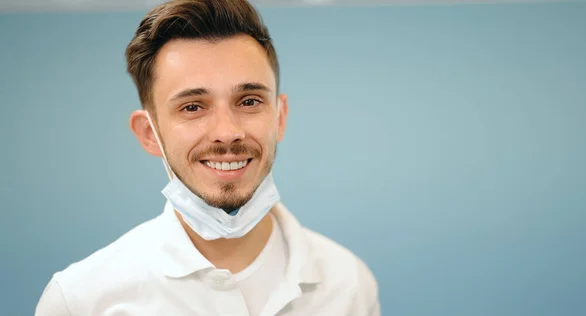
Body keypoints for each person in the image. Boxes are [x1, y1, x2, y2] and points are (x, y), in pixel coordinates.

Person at [35, 0, 380, 315]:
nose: (227, 132)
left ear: (279, 117)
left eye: (249, 101)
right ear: (148, 133)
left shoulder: (348, 284)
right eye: (193, 107)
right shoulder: (80, 300)